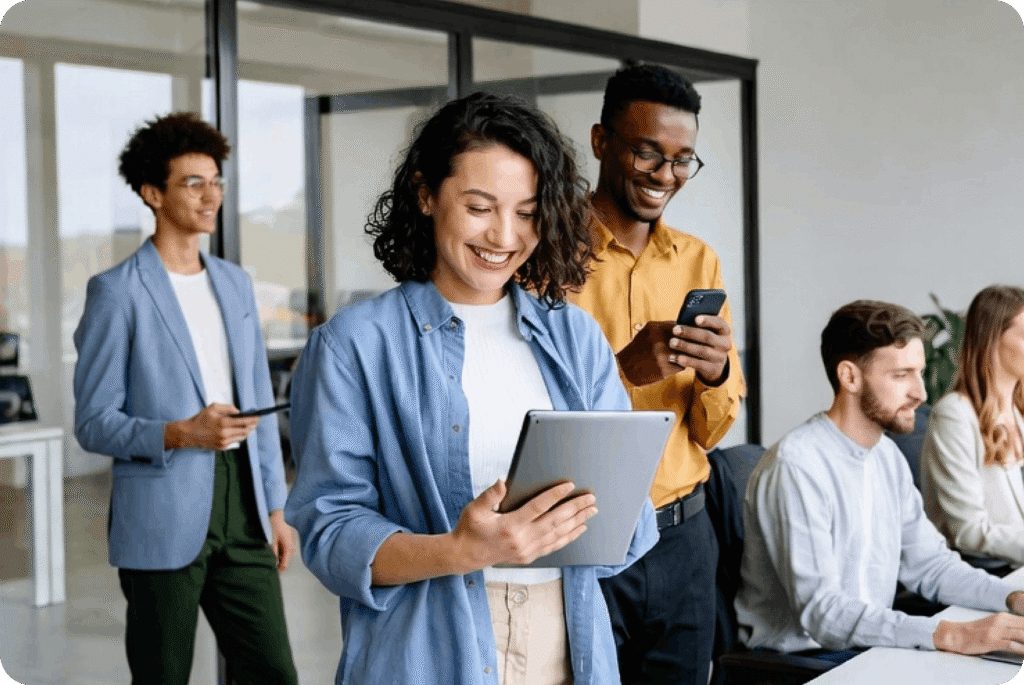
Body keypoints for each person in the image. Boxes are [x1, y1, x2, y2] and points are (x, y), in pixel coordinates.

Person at [284, 92, 658, 685]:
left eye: (528, 212)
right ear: (425, 194)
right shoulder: (356, 344)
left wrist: (615, 509)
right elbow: (331, 535)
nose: (504, 235)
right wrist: (465, 549)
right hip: (426, 647)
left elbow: (627, 526)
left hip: (568, 636)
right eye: (480, 207)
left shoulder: (575, 337)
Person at [73, 112, 298, 684]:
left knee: (273, 670)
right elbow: (94, 423)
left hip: (244, 507)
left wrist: (276, 506)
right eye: (193, 183)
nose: (211, 195)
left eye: (216, 181)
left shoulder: (235, 283)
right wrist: (180, 432)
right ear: (153, 194)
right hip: (161, 509)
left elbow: (257, 405)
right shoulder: (117, 292)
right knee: (162, 676)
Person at [568, 63, 745, 684]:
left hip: (685, 538)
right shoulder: (547, 255)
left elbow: (711, 431)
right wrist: (623, 371)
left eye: (682, 160)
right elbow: (527, 413)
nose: (665, 176)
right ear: (601, 142)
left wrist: (719, 374)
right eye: (648, 154)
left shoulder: (699, 259)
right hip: (587, 537)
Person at [735, 300, 1024, 660]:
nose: (920, 393)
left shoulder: (886, 455)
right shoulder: (797, 465)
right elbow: (823, 613)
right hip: (805, 661)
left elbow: (930, 565)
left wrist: (1011, 598)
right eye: (901, 375)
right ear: (850, 377)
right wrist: (951, 634)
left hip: (869, 645)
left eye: (918, 373)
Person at [921, 285, 1024, 568]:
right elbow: (968, 532)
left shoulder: (1018, 411)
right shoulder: (953, 416)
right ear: (992, 339)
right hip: (987, 572)